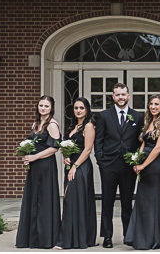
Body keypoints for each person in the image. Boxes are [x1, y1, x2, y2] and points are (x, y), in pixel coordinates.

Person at [93, 82, 144, 248]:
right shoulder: (104, 116)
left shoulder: (137, 116)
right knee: (107, 202)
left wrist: (136, 159)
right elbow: (98, 139)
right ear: (113, 97)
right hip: (109, 165)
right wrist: (101, 160)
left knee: (127, 202)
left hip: (128, 166)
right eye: (118, 94)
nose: (121, 97)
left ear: (128, 96)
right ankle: (107, 237)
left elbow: (139, 141)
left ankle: (128, 235)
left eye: (123, 94)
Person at [124, 94, 160, 250]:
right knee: (143, 200)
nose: (153, 107)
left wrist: (144, 165)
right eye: (151, 104)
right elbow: (143, 144)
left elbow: (158, 148)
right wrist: (136, 160)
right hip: (143, 163)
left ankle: (157, 238)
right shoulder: (148, 122)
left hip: (155, 165)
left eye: (156, 104)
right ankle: (141, 236)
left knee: (153, 198)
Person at [16, 95, 61, 248]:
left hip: (45, 166)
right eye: (41, 105)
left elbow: (55, 147)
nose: (43, 108)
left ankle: (44, 238)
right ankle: (31, 238)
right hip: (34, 167)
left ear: (51, 108)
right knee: (33, 198)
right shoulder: (36, 123)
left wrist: (35, 157)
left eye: (46, 106)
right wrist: (27, 154)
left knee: (44, 200)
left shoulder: (52, 124)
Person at [56, 97, 97, 249]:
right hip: (71, 164)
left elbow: (87, 149)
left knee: (72, 199)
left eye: (81, 108)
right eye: (76, 108)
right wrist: (65, 156)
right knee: (70, 200)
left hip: (82, 166)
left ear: (87, 110)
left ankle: (69, 240)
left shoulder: (89, 126)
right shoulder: (73, 126)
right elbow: (66, 146)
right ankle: (72, 238)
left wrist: (75, 166)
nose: (78, 110)